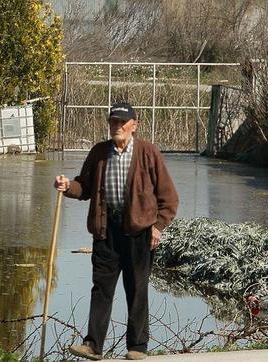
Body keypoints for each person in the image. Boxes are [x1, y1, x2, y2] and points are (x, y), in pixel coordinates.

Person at [54, 102, 179, 360]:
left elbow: (169, 198)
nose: (117, 126)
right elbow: (84, 187)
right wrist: (67, 186)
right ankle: (93, 345)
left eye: (122, 122)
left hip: (139, 232)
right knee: (101, 288)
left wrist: (158, 226)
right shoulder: (100, 152)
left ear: (134, 124)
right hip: (106, 230)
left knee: (136, 288)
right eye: (113, 122)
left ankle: (137, 347)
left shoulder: (148, 152)